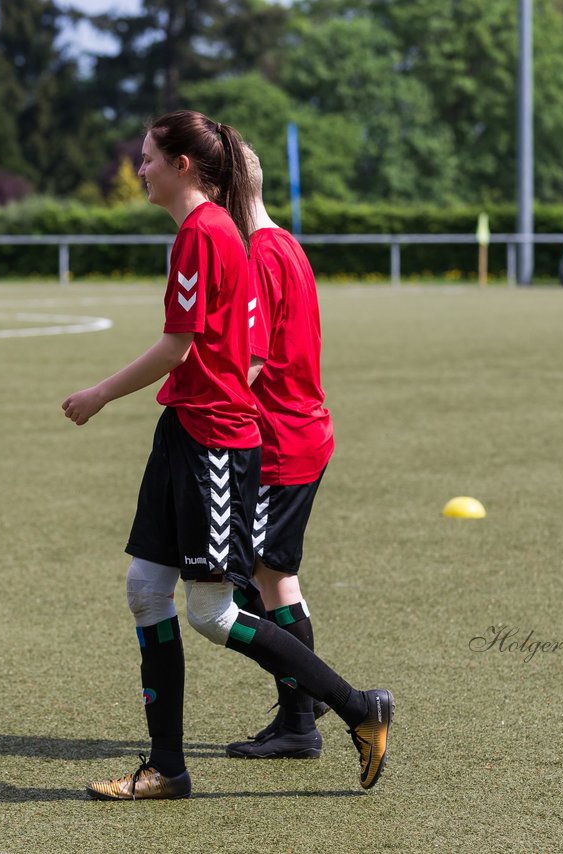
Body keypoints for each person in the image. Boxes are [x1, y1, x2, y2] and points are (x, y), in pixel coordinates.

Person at [62, 110, 393, 800]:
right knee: (145, 590)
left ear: (184, 164)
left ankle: (358, 709)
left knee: (213, 612)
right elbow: (235, 351)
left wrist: (98, 394)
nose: (140, 167)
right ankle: (167, 768)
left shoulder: (208, 237)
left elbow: (181, 347)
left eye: (149, 156)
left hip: (215, 440)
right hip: (183, 430)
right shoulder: (214, 235)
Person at [222, 144, 335, 760]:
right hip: (299, 431)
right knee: (264, 577)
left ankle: (302, 717)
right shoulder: (284, 241)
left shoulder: (260, 254)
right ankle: (305, 695)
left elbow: (255, 360)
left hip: (280, 440)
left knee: (262, 578)